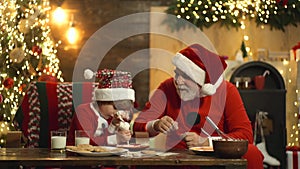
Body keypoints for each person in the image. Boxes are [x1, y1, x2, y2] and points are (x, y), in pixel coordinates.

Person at [132, 44, 264, 169]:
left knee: (252, 152)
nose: (178, 81)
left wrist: (207, 143)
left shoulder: (227, 91)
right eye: (177, 73)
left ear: (204, 84)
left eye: (186, 76)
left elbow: (245, 136)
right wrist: (155, 124)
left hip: (216, 161)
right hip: (178, 159)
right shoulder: (167, 88)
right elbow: (138, 125)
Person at [67, 69, 135, 146]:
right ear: (104, 100)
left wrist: (112, 126)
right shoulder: (83, 111)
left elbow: (103, 138)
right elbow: (86, 142)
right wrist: (116, 139)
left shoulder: (109, 116)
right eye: (115, 108)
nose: (117, 112)